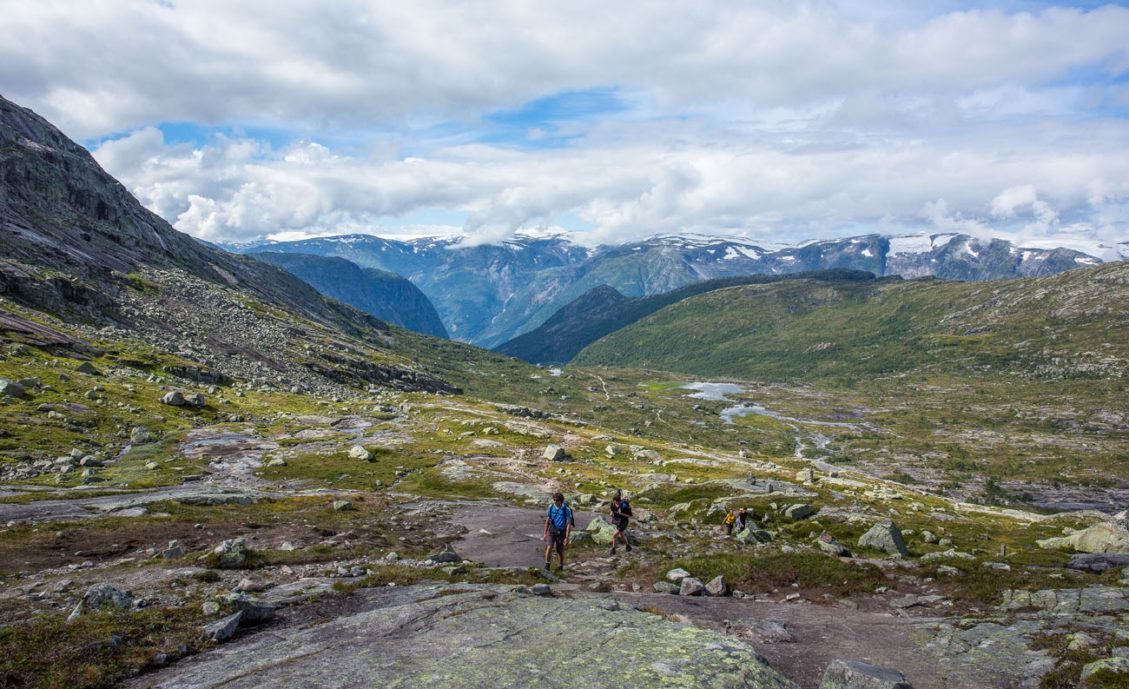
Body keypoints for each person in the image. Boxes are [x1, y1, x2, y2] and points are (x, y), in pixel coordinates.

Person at [543, 492, 573, 571]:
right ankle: (547, 565)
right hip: (552, 530)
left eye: (557, 500)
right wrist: (545, 533)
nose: (555, 501)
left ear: (561, 501)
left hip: (561, 532)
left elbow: (569, 524)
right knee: (549, 547)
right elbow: (547, 520)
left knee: (559, 550)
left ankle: (560, 565)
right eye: (554, 500)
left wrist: (567, 537)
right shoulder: (551, 507)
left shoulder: (566, 509)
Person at [607, 490, 632, 555]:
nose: (616, 503)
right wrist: (611, 513)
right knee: (621, 535)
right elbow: (612, 510)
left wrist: (621, 513)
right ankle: (628, 546)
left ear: (619, 501)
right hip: (618, 521)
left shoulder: (624, 506)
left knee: (614, 536)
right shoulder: (612, 504)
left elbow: (629, 515)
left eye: (618, 502)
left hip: (624, 522)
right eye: (615, 501)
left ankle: (613, 550)